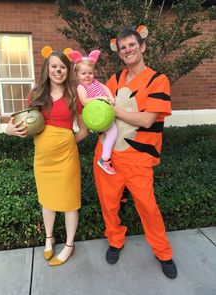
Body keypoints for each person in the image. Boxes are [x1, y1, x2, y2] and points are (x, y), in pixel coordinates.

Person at [93, 25, 177, 279]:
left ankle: (163, 253)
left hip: (139, 159)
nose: (127, 50)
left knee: (148, 208)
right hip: (108, 156)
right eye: (123, 48)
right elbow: (98, 107)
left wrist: (112, 111)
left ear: (142, 47)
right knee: (108, 205)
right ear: (119, 53)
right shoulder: (115, 80)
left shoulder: (157, 80)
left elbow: (147, 120)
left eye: (132, 45)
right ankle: (115, 240)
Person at [6, 46, 89, 266]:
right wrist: (9, 130)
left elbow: (84, 129)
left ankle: (69, 245)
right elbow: (21, 124)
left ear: (67, 70)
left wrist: (68, 142)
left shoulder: (73, 95)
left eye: (63, 67)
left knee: (70, 202)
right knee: (48, 201)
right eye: (54, 66)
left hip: (67, 159)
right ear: (47, 68)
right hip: (42, 159)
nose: (58, 70)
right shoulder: (35, 95)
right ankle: (49, 239)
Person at [68, 49, 117, 175]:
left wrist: (111, 98)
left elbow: (105, 88)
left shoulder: (96, 82)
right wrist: (100, 98)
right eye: (83, 73)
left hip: (104, 111)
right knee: (113, 132)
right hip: (96, 115)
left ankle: (108, 154)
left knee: (114, 131)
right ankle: (105, 159)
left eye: (90, 73)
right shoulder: (81, 87)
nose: (87, 76)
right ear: (77, 75)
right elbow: (84, 101)